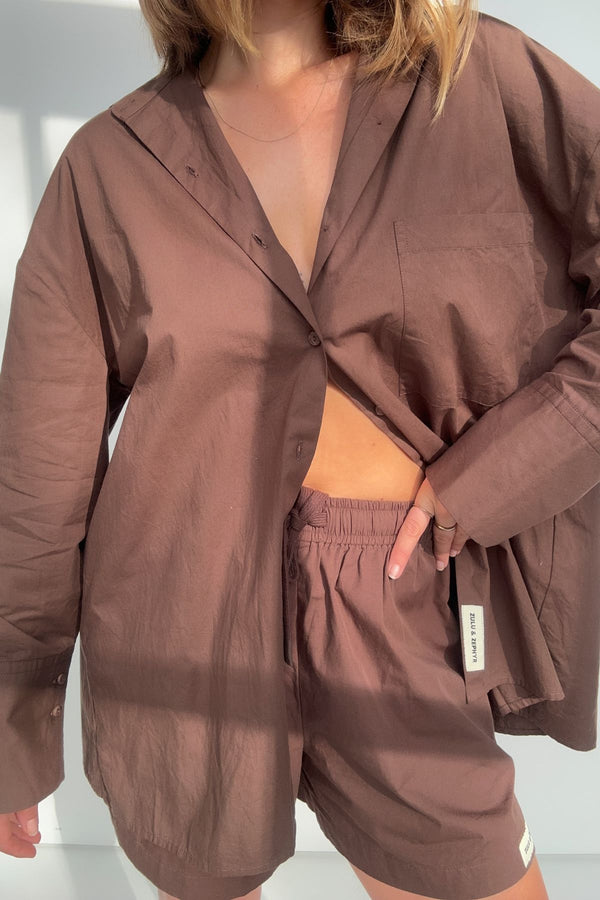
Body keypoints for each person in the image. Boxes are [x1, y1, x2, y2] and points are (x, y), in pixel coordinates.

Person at [1, 1, 599, 898]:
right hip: (179, 608)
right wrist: (12, 725)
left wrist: (495, 475)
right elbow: (38, 469)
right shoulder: (110, 164)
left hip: (396, 594)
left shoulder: (473, 84)